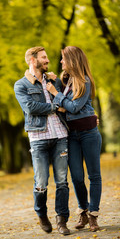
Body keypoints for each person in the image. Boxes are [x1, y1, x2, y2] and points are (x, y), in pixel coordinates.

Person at [14, 46, 70, 235]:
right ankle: (42, 214)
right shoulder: (21, 85)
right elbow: (30, 107)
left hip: (60, 135)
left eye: (47, 57)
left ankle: (62, 220)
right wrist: (54, 107)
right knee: (41, 182)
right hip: (38, 138)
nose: (47, 60)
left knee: (62, 181)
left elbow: (67, 101)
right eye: (43, 58)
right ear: (32, 60)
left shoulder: (54, 80)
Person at [46, 46, 102, 232]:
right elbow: (63, 105)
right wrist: (59, 94)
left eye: (63, 59)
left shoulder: (85, 81)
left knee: (94, 176)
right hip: (72, 135)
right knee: (77, 177)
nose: (61, 62)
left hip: (89, 133)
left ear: (72, 60)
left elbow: (75, 107)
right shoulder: (65, 80)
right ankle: (83, 212)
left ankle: (93, 215)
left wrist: (56, 94)